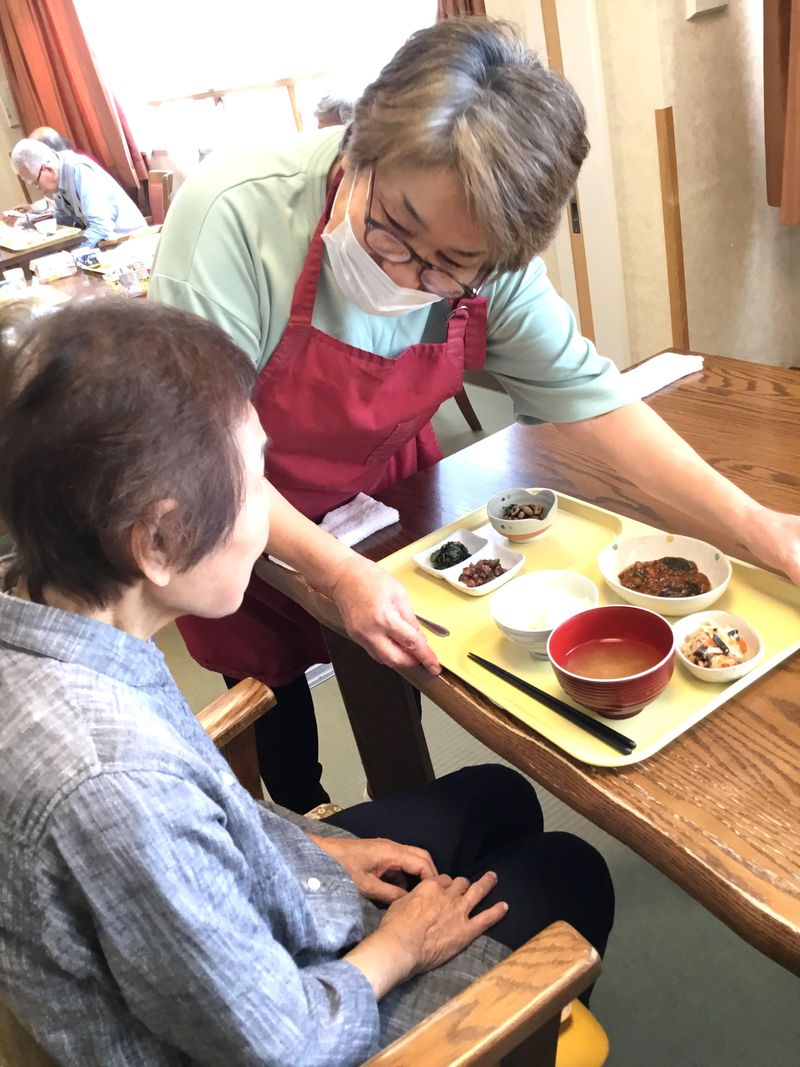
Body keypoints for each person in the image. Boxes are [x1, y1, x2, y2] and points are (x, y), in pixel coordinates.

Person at [150, 16, 800, 814]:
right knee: (270, 686)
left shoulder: (495, 268)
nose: (408, 275)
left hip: (381, 494)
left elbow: (595, 400)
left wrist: (757, 526)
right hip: (236, 497)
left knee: (397, 666)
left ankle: (396, 802)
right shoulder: (234, 217)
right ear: (359, 147)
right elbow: (202, 452)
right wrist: (334, 569)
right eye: (393, 231)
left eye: (450, 267)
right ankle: (302, 810)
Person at [0, 299, 614, 1066]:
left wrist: (318, 851)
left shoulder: (46, 618)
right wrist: (401, 945)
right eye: (254, 482)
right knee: (572, 873)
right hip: (296, 1024)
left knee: (499, 794)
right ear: (157, 539)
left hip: (247, 913)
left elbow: (202, 831)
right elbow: (284, 1043)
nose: (270, 517)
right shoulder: (113, 784)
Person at [10, 137, 146, 247]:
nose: (38, 188)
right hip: (105, 244)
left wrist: (75, 254)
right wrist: (29, 222)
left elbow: (101, 227)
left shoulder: (80, 171)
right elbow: (63, 222)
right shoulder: (58, 172)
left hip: (127, 242)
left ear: (49, 170)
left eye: (36, 183)